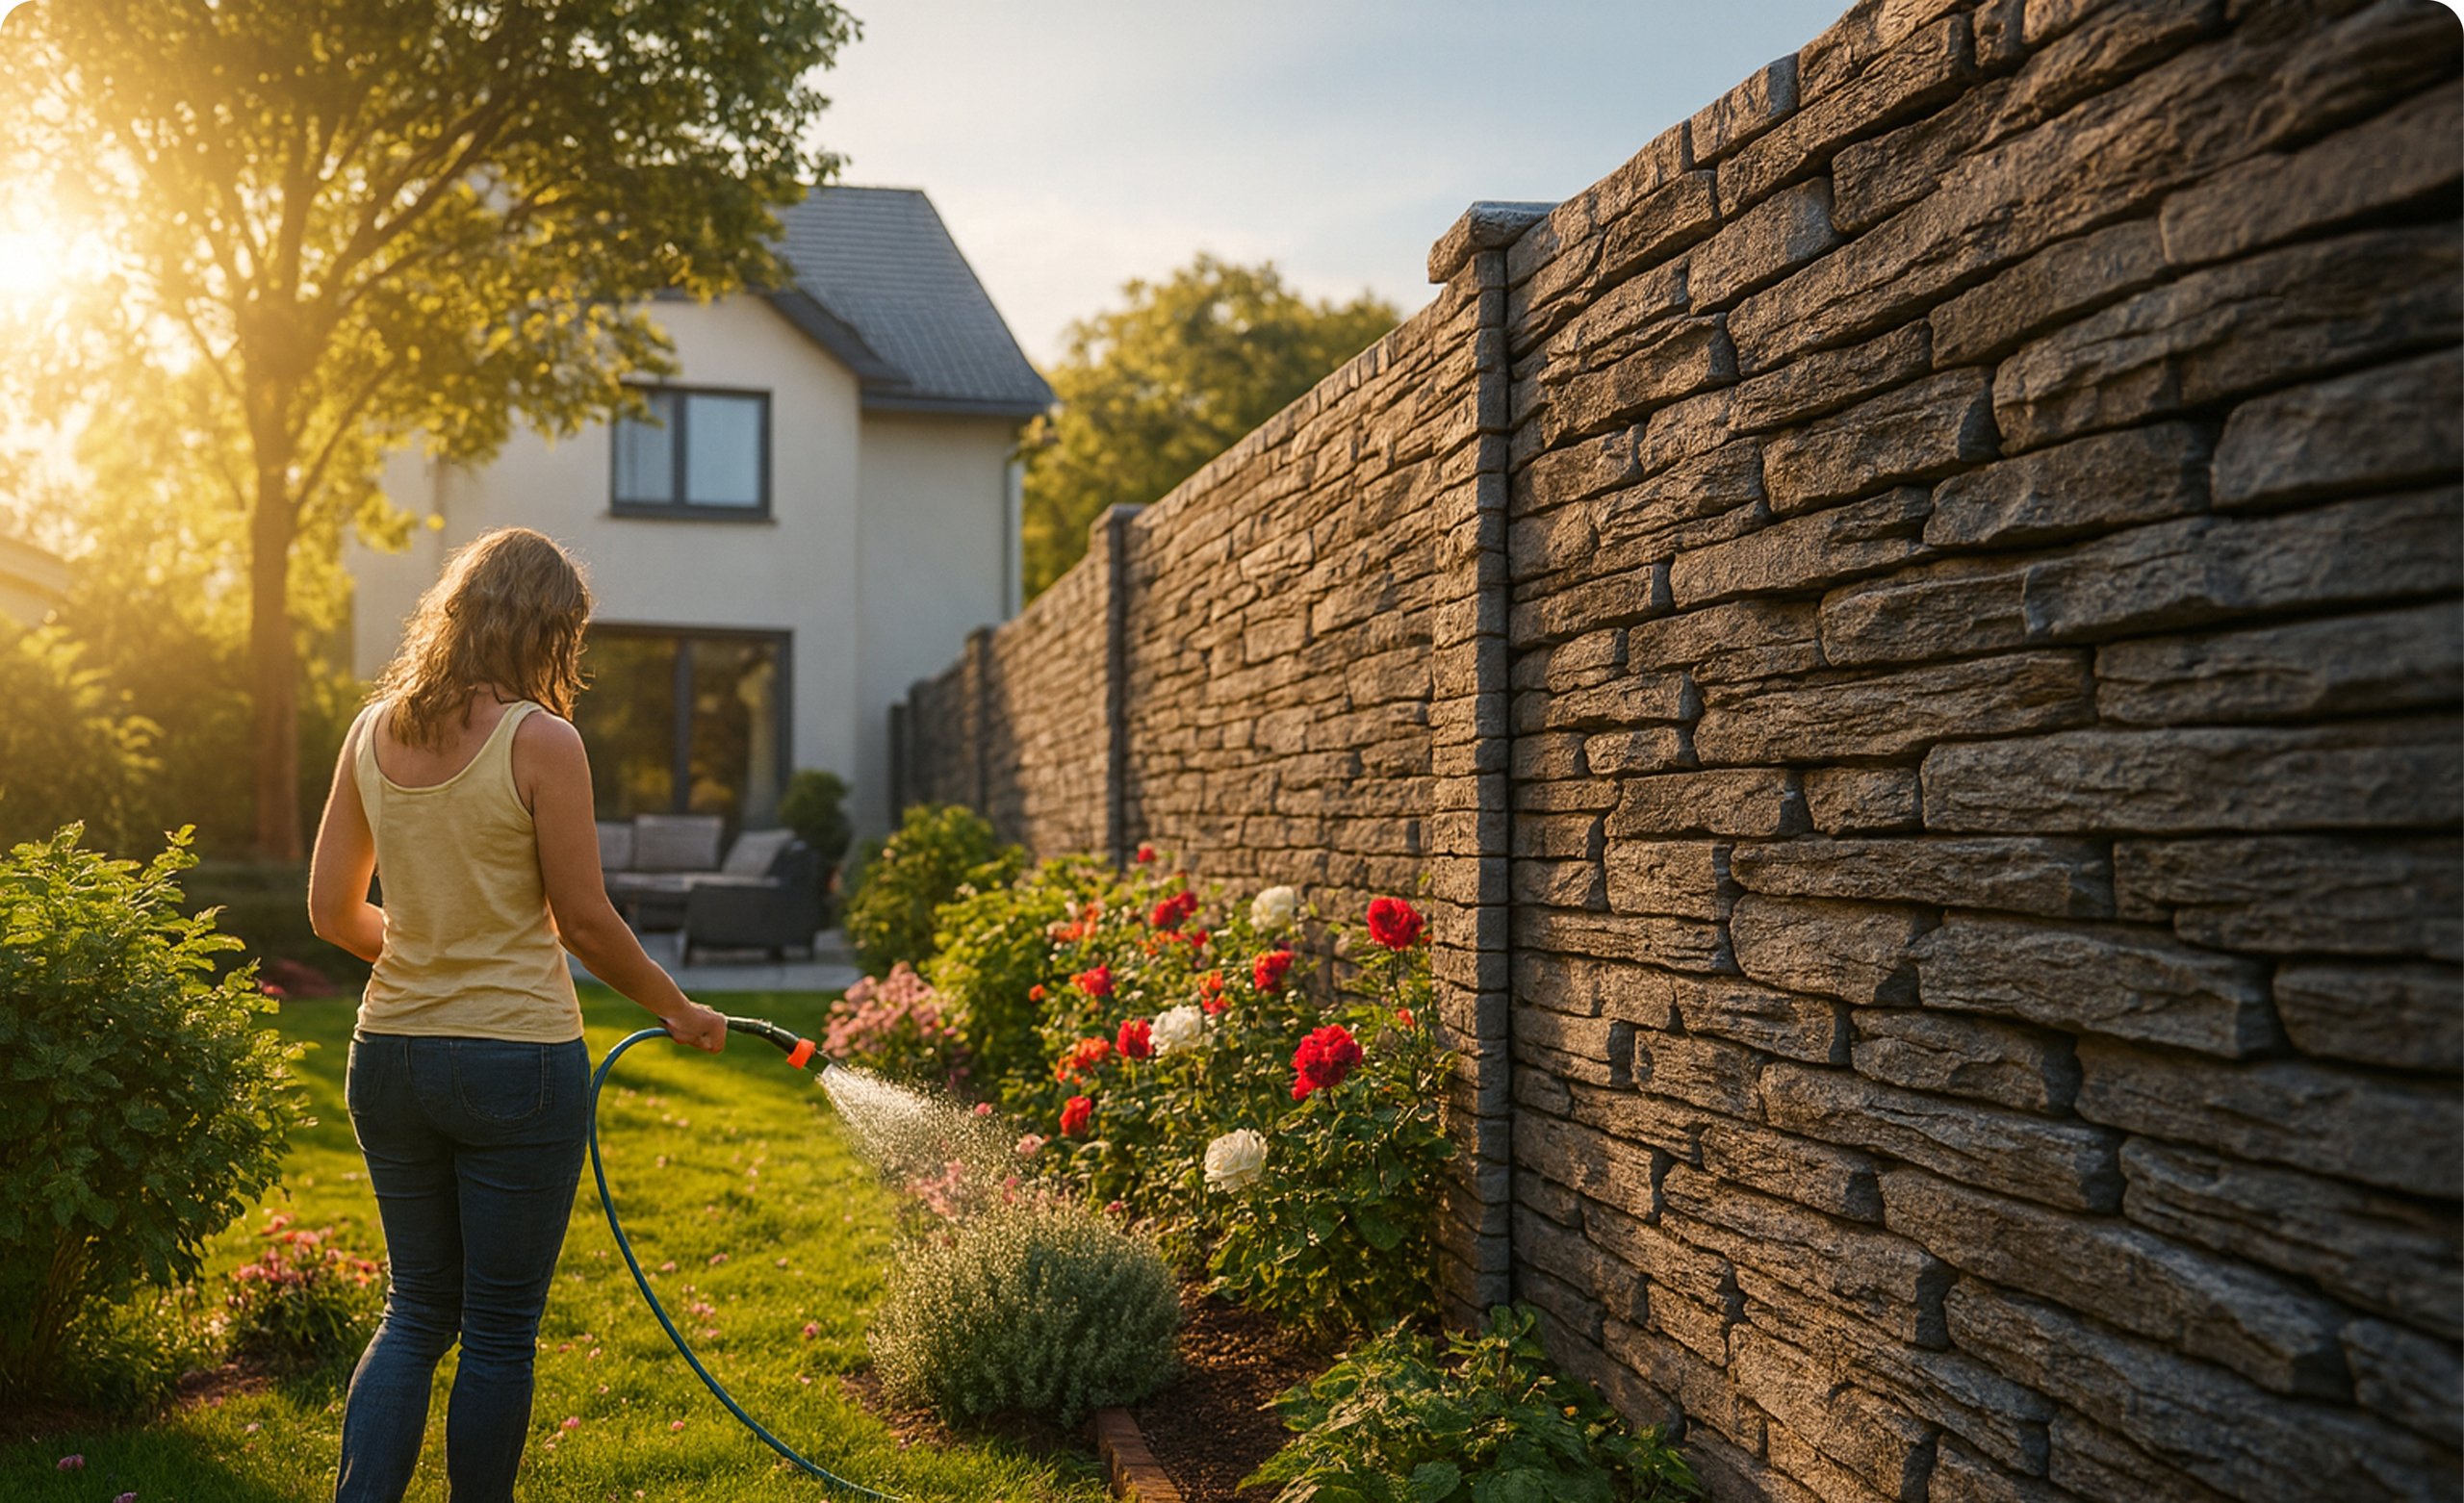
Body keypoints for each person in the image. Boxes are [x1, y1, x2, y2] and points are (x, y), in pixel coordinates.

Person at [307, 525, 729, 1503]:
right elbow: (583, 917)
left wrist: (425, 953)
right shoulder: (542, 740)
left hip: (389, 1057)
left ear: (454, 613)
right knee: (496, 1328)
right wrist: (678, 1007)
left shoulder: (370, 733)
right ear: (548, 631)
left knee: (413, 1308)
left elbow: (331, 912)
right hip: (515, 1065)